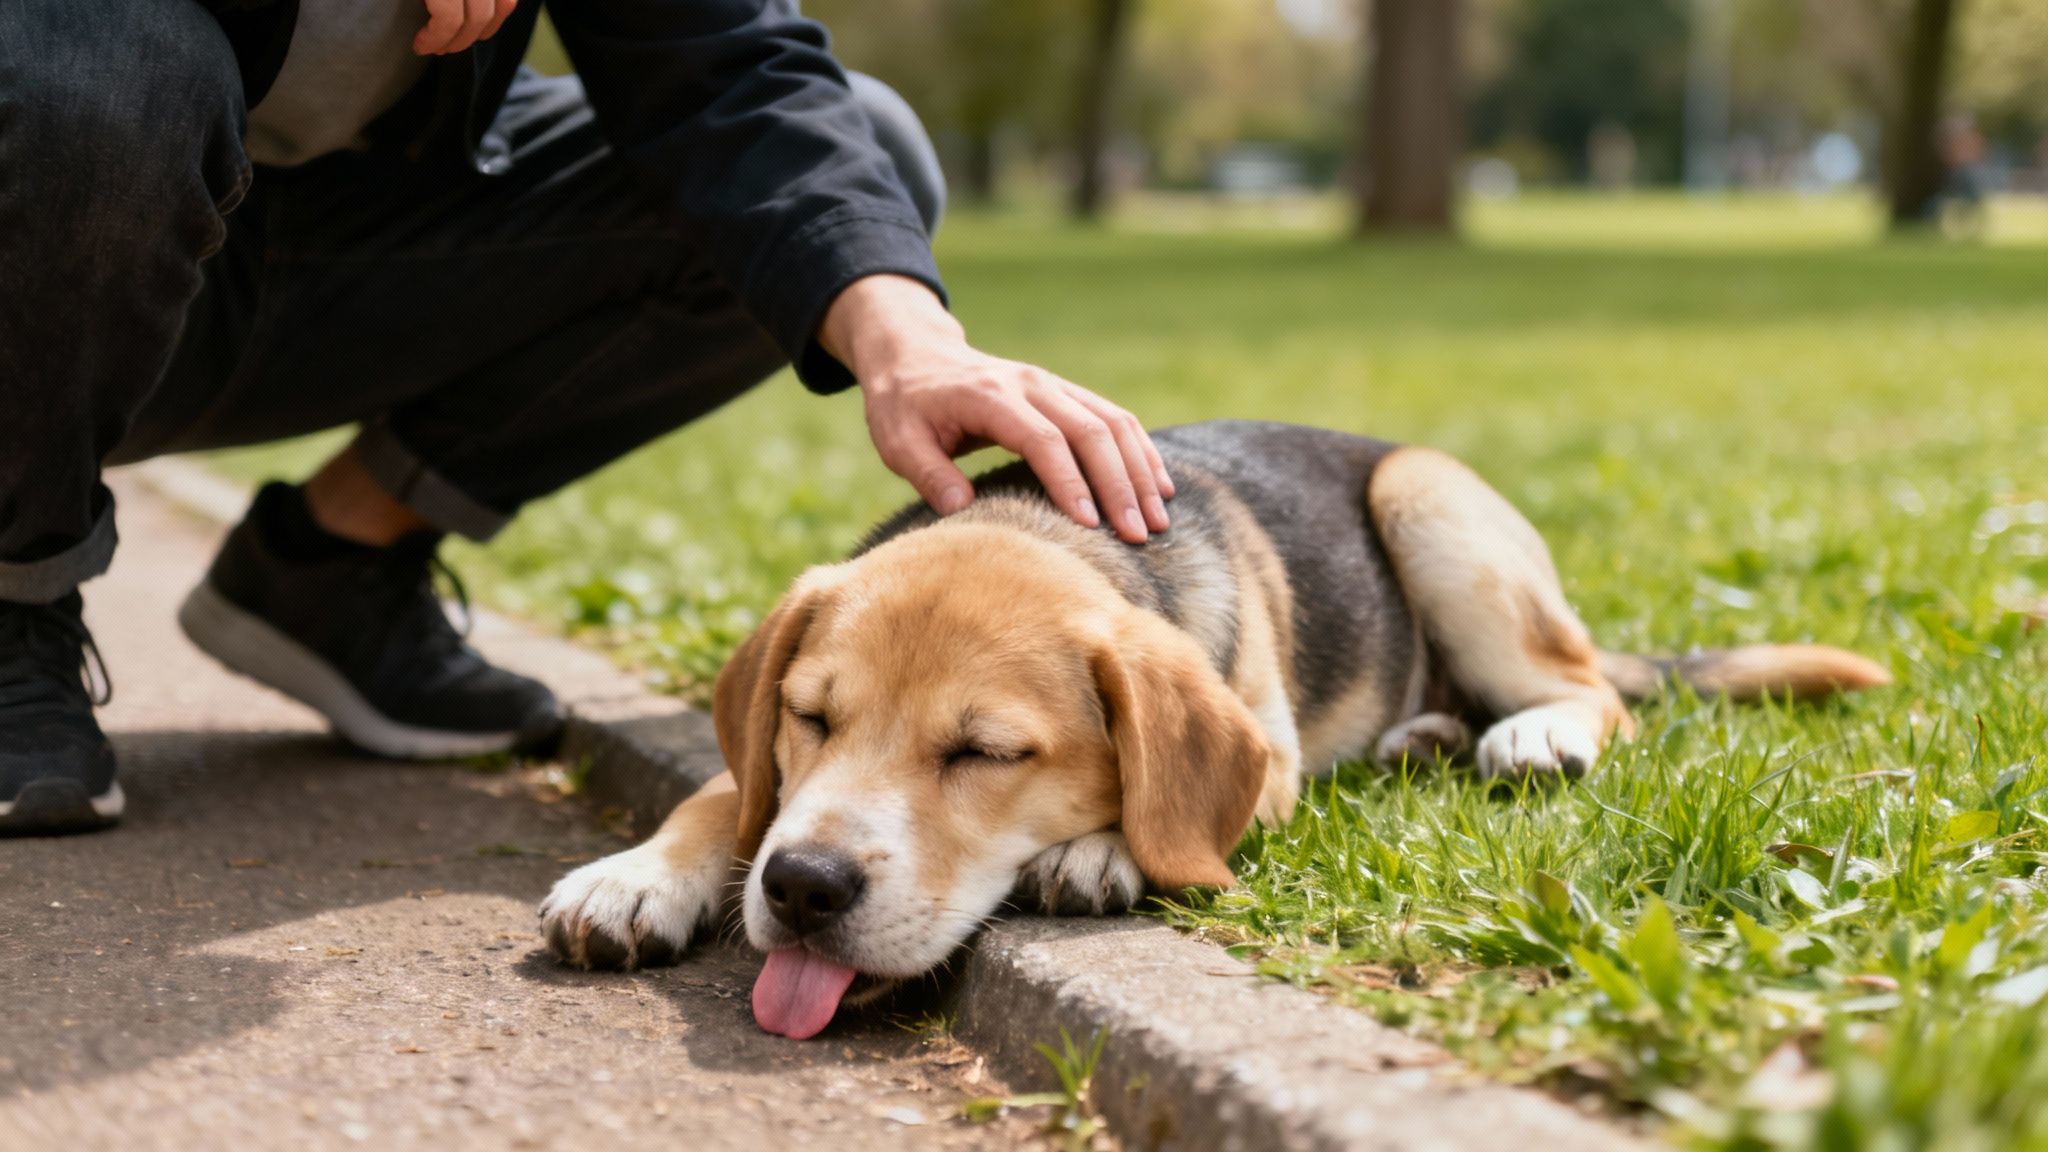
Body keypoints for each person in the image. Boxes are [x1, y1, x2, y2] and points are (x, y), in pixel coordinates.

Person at [0, 0, 1175, 836]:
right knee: (100, 75)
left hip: (316, 253)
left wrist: (905, 337)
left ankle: (331, 568)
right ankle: (14, 600)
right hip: (46, 209)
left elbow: (728, 72)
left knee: (866, 158)